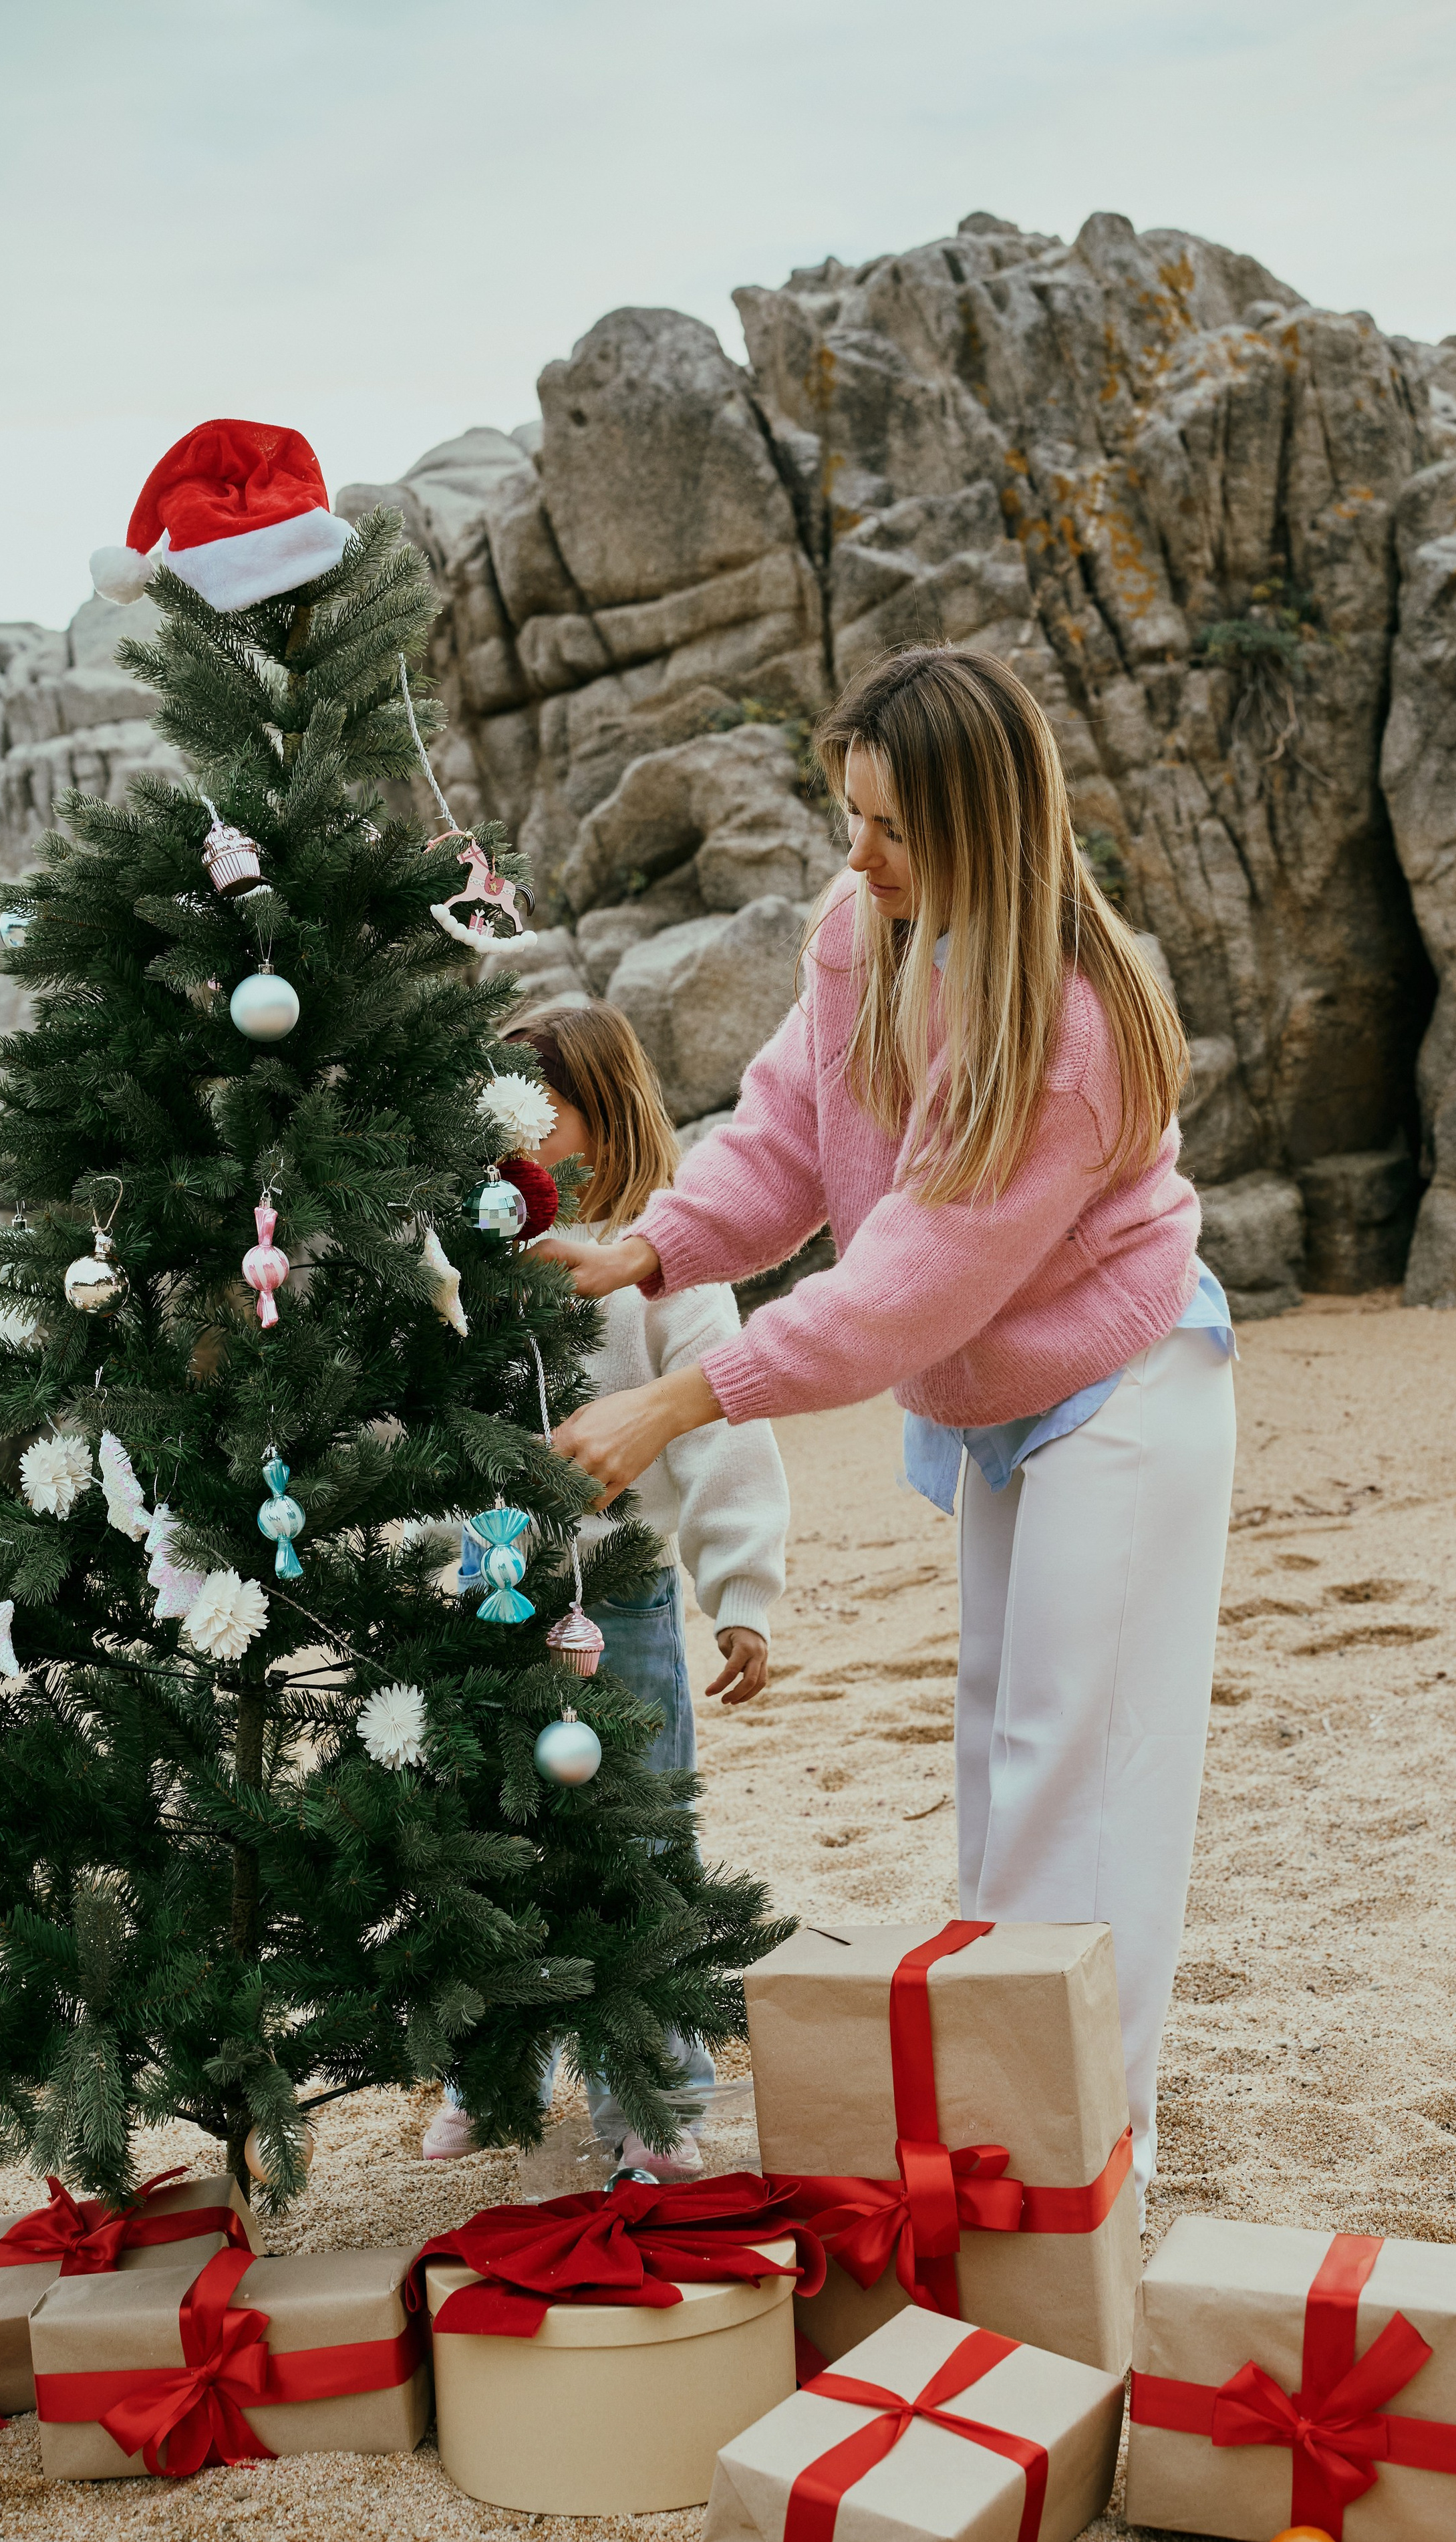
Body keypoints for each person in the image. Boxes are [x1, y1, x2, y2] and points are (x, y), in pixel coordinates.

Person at [535, 644, 1236, 2219]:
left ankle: (1082, 2172)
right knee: (1000, 1760)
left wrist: (678, 1391)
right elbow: (789, 1131)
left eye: (889, 826)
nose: (853, 852)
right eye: (845, 811)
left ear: (982, 828)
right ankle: (1007, 2125)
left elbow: (908, 1282)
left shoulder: (1067, 1025)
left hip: (1125, 1390)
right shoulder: (865, 931)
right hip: (1002, 1402)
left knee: (1084, 1776)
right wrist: (649, 1247)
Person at [422, 1002, 790, 2176]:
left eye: (538, 1114)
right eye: (492, 1116)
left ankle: (660, 2102)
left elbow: (726, 1427)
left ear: (602, 1116)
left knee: (637, 1843)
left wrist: (741, 1590)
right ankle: (501, 2073)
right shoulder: (462, 1264)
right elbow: (428, 1427)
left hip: (617, 1594)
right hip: (482, 1588)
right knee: (491, 1845)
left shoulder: (662, 1270)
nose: (509, 1139)